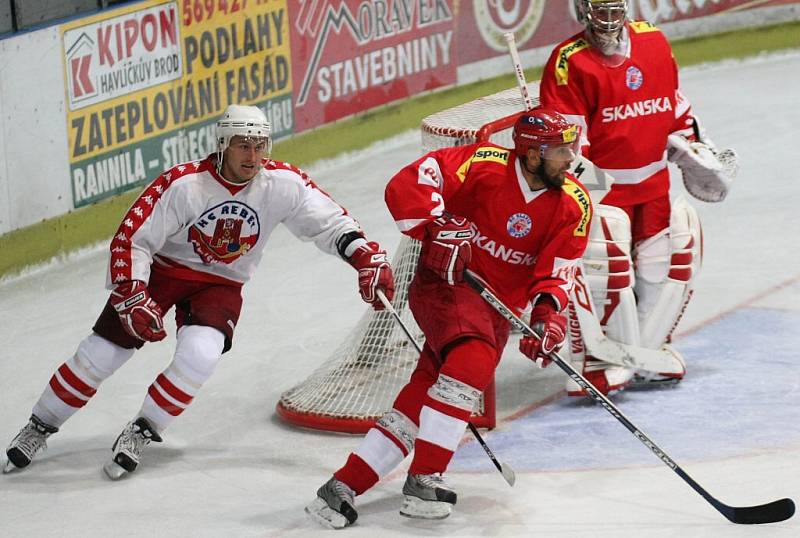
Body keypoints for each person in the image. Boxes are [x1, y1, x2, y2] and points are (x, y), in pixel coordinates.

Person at [3, 104, 395, 479]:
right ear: (223, 145)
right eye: (244, 144)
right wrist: (133, 293)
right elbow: (132, 240)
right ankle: (41, 424)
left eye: (260, 146)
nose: (253, 155)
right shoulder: (184, 184)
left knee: (201, 355)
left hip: (220, 284)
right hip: (163, 274)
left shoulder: (282, 185)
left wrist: (364, 257)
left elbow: (330, 224)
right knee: (100, 355)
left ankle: (143, 429)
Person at [305, 108, 592, 528]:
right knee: (472, 362)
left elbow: (557, 268)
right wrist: (436, 226)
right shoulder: (482, 163)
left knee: (426, 392)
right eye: (560, 151)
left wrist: (546, 317)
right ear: (532, 156)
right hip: (445, 286)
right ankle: (425, 478)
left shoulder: (573, 203)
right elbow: (410, 182)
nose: (571, 158)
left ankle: (342, 487)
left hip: (496, 310)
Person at [538, 0, 738, 396]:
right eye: (600, 9)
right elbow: (566, 146)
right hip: (603, 192)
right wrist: (588, 199)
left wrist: (693, 150)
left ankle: (646, 353)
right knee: (604, 267)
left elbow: (675, 108)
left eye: (615, 8)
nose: (609, 20)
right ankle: (596, 357)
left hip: (653, 187)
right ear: (582, 9)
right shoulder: (568, 62)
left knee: (667, 262)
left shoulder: (654, 42)